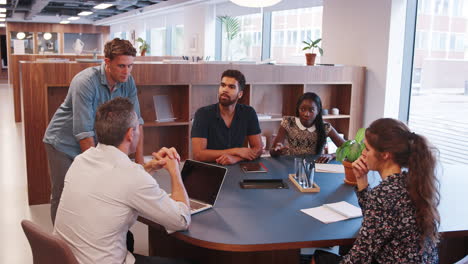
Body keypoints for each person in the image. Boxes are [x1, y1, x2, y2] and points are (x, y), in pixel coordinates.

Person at [54, 97, 191, 264]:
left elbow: (114, 182)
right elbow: (181, 220)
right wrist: (175, 170)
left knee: (129, 240)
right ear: (130, 134)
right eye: (138, 128)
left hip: (68, 258)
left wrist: (149, 167)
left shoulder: (81, 161)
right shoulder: (132, 176)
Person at [43, 38, 144, 224]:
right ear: (107, 62)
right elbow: (83, 132)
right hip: (63, 143)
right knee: (64, 193)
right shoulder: (85, 82)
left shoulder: (128, 82)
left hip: (93, 142)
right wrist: (101, 170)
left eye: (130, 66)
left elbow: (136, 123)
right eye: (122, 66)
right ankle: (60, 244)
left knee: (91, 193)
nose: (127, 71)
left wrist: (139, 166)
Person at [312, 118, 440, 264]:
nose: (363, 154)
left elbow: (359, 258)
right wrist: (362, 181)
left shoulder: (383, 194)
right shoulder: (415, 183)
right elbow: (378, 223)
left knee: (321, 257)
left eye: (367, 149)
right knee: (345, 249)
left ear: (385, 154)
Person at [191, 69, 263, 165]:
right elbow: (198, 154)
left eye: (231, 87)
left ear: (240, 94)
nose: (225, 90)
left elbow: (258, 149)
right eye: (223, 85)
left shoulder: (248, 113)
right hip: (209, 168)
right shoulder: (203, 114)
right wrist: (236, 151)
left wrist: (236, 158)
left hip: (237, 168)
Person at [270, 92, 344, 163]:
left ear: (318, 111)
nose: (306, 114)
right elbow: (272, 151)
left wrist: (331, 155)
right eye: (302, 109)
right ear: (298, 109)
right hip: (291, 165)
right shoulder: (288, 122)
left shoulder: (325, 127)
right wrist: (277, 150)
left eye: (311, 110)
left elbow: (348, 149)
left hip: (316, 168)